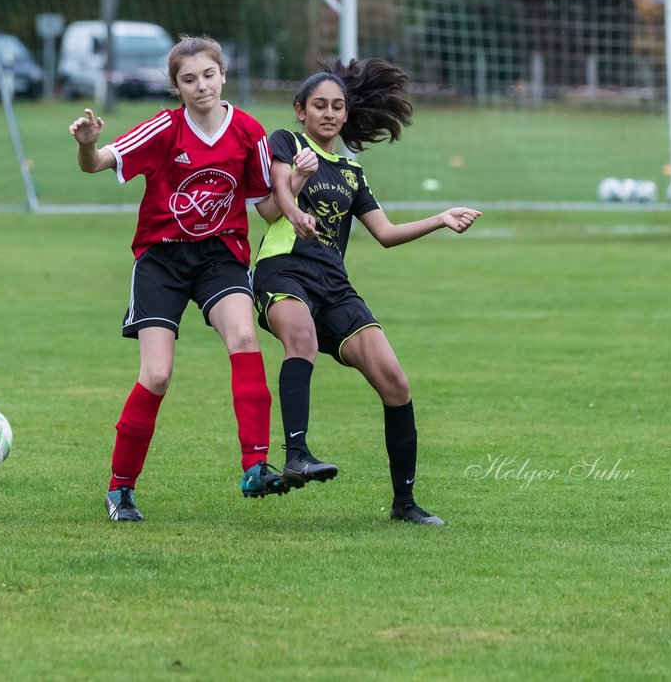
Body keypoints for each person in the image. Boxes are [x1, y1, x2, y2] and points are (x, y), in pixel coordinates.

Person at [69, 35, 291, 522]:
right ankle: (120, 488)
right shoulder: (164, 130)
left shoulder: (249, 132)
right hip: (162, 260)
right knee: (158, 374)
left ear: (223, 75)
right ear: (176, 87)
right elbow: (98, 163)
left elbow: (268, 207)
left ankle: (255, 465)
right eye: (189, 79)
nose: (201, 86)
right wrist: (87, 145)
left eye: (208, 75)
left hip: (219, 256)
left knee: (243, 335)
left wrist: (292, 182)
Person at [252, 58, 482, 526]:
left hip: (333, 284)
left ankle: (405, 503)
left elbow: (386, 232)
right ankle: (297, 453)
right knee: (302, 338)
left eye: (337, 106)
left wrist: (440, 219)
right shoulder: (286, 143)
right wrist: (297, 196)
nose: (330, 113)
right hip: (282, 270)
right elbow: (272, 206)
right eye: (320, 105)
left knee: (395, 382)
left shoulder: (351, 173)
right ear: (300, 111)